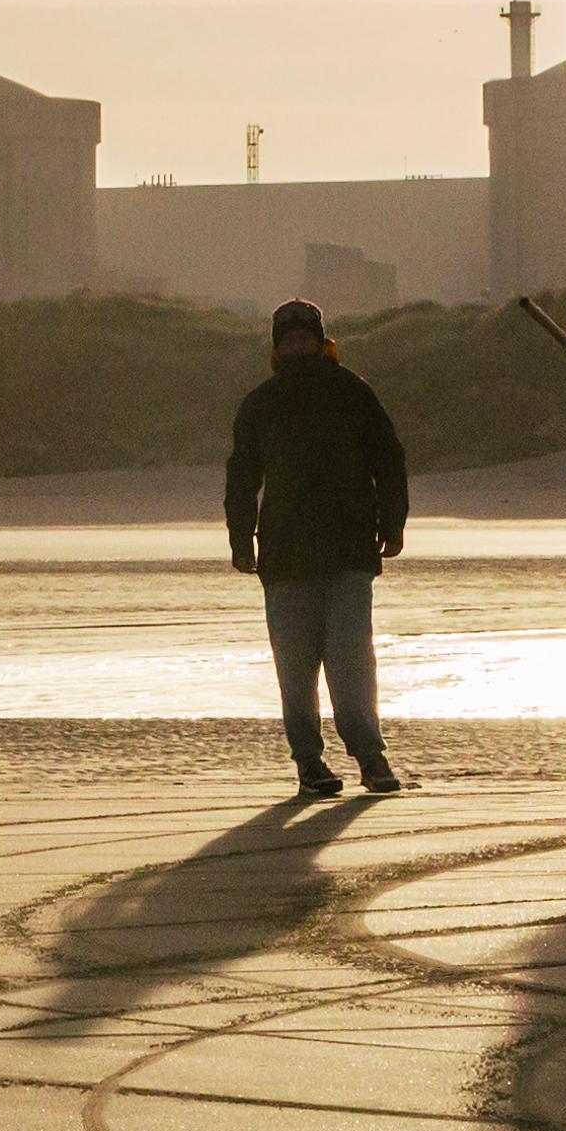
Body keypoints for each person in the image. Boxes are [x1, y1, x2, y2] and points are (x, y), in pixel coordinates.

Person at [223, 298, 407, 795]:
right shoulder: (260, 403)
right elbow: (242, 476)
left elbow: (388, 459)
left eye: (306, 339)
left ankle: (371, 758)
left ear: (321, 342)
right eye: (289, 341)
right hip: (284, 556)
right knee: (296, 670)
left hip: (349, 551)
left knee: (351, 662)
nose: (298, 347)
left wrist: (393, 523)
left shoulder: (351, 393)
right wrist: (241, 540)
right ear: (278, 347)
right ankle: (309, 763)